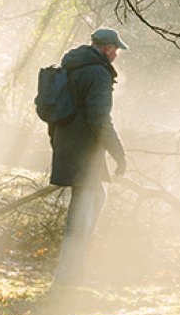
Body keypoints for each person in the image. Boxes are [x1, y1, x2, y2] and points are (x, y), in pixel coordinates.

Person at [48, 27, 129, 285]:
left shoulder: (72, 66)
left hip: (69, 145)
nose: (116, 54)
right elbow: (99, 118)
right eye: (115, 49)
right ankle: (67, 275)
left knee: (95, 200)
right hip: (84, 151)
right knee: (80, 216)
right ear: (106, 48)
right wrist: (119, 153)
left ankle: (76, 269)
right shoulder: (98, 73)